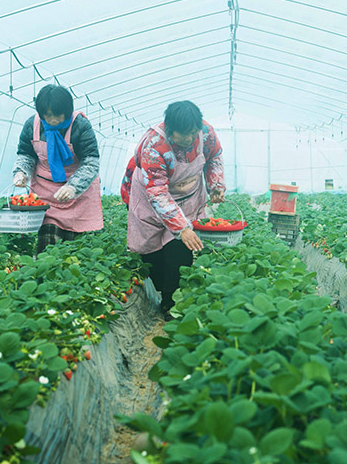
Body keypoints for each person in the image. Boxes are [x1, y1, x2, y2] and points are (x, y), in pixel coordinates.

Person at [122, 101, 226, 319]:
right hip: (152, 198)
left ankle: (172, 305)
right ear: (170, 130)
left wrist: (215, 184)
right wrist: (181, 227)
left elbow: (214, 157)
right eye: (183, 135)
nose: (189, 139)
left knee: (180, 251)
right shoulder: (153, 145)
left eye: (192, 133)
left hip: (188, 197)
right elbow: (158, 193)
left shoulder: (205, 133)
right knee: (153, 256)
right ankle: (161, 292)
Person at [13, 84, 103, 255]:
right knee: (47, 247)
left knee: (75, 249)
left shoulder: (80, 126)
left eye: (57, 114)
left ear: (67, 110)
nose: (53, 120)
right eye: (48, 115)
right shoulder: (32, 125)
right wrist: (21, 172)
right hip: (46, 194)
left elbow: (91, 161)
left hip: (78, 195)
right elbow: (26, 154)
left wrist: (73, 187)